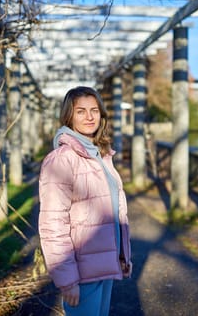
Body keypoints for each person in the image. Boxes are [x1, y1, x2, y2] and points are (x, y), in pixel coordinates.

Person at [38, 86, 132, 316]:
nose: (90, 117)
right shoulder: (61, 160)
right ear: (69, 115)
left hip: (105, 263)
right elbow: (53, 225)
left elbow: (114, 211)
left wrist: (121, 256)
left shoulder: (100, 155)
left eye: (94, 110)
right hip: (81, 270)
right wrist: (67, 280)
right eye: (81, 111)